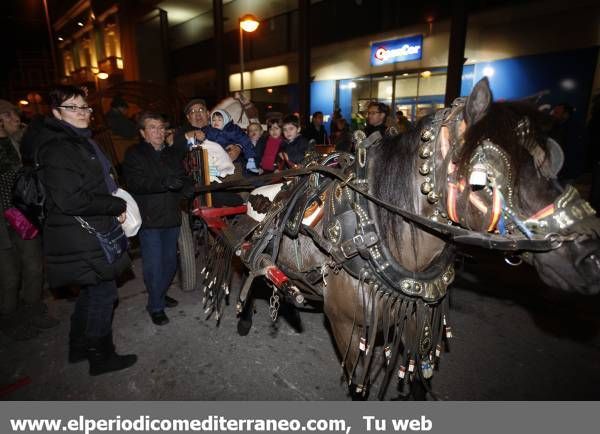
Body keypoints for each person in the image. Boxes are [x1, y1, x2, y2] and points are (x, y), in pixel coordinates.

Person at [36, 86, 136, 375]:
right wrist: (113, 203)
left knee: (91, 293)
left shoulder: (79, 140)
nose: (82, 113)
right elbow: (70, 199)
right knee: (104, 294)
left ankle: (78, 346)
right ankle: (101, 357)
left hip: (87, 229)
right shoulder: (58, 147)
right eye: (72, 107)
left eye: (85, 107)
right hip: (81, 233)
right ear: (56, 112)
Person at [122, 112, 194, 326]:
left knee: (171, 263)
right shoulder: (135, 154)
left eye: (161, 128)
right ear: (143, 133)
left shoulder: (171, 154)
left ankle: (159, 293)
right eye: (153, 127)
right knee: (154, 265)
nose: (159, 132)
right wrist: (165, 183)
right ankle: (155, 305)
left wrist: (187, 189)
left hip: (171, 215)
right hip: (149, 218)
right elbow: (135, 183)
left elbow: (182, 178)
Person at [0, 100, 59, 341]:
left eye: (15, 114)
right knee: (9, 275)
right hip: (1, 223)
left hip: (24, 215)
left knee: (34, 267)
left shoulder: (19, 141)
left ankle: (34, 311)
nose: (16, 118)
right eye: (9, 115)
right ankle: (10, 321)